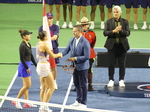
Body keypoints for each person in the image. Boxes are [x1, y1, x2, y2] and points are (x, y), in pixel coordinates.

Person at [62, 25, 90, 108]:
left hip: (83, 67)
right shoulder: (72, 39)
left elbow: (87, 56)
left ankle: (83, 103)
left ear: (80, 32)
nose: (73, 33)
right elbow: (67, 49)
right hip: (74, 67)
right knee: (76, 83)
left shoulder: (85, 42)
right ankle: (78, 100)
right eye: (73, 31)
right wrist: (61, 54)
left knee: (83, 84)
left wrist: (75, 58)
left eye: (75, 31)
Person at [103, 6, 130, 87]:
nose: (115, 13)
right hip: (112, 46)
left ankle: (121, 79)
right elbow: (105, 33)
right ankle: (111, 79)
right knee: (111, 64)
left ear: (120, 13)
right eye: (114, 12)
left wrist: (120, 30)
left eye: (117, 12)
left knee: (122, 64)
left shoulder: (125, 22)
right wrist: (114, 31)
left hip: (122, 46)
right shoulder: (109, 21)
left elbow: (128, 33)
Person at [36, 31, 62, 112]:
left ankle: (41, 106)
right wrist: (59, 54)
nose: (48, 36)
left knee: (44, 88)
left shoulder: (38, 44)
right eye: (47, 35)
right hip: (44, 67)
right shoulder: (45, 45)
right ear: (44, 37)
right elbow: (53, 56)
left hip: (40, 66)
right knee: (52, 87)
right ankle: (45, 106)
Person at [11, 29, 37, 109]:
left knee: (25, 85)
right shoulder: (22, 45)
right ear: (23, 36)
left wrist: (36, 64)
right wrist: (27, 67)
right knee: (28, 85)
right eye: (28, 35)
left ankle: (27, 102)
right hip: (24, 65)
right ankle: (16, 100)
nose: (29, 36)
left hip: (28, 64)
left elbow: (31, 56)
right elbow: (22, 58)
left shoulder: (28, 44)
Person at [39, 12, 59, 89]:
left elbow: (55, 37)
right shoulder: (41, 28)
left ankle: (54, 82)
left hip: (53, 49)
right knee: (44, 66)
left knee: (53, 67)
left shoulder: (56, 27)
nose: (49, 20)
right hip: (44, 50)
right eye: (48, 18)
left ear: (52, 19)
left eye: (50, 18)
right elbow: (40, 38)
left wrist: (46, 39)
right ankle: (43, 83)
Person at [80, 17, 96, 91]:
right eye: (83, 24)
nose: (84, 26)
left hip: (90, 54)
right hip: (80, 54)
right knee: (79, 70)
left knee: (89, 70)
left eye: (85, 24)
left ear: (88, 25)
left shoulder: (92, 33)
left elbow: (93, 43)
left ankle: (90, 85)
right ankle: (79, 85)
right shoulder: (78, 33)